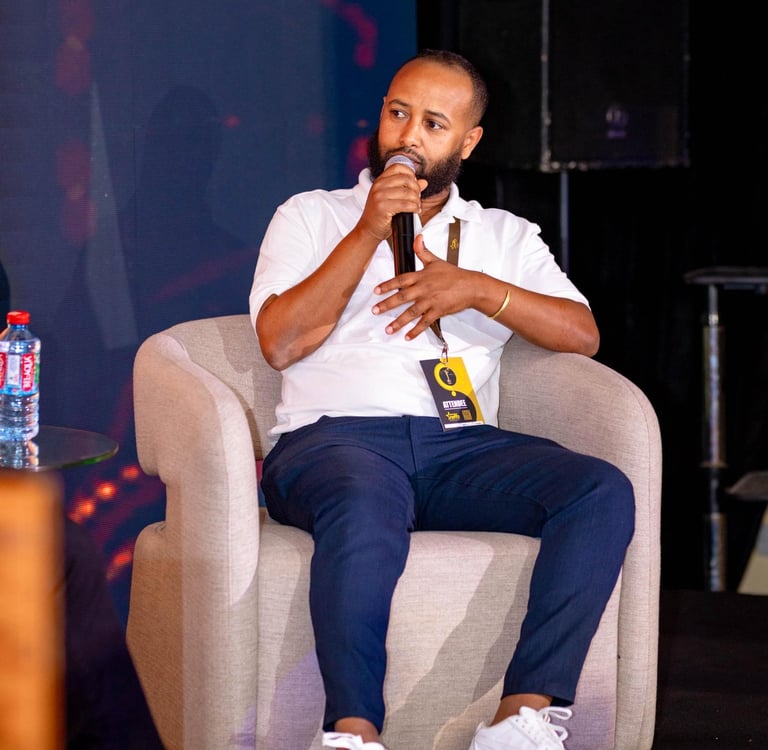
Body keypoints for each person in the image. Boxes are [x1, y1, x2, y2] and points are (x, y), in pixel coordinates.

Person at [249, 49, 635, 750]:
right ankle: (351, 733)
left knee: (599, 490)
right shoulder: (310, 215)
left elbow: (582, 333)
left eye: (432, 123)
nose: (407, 136)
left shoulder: (502, 234)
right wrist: (367, 230)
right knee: (362, 503)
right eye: (398, 113)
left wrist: (478, 290)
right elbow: (279, 342)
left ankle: (520, 720)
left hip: (460, 446)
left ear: (468, 141)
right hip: (335, 440)